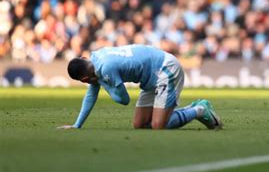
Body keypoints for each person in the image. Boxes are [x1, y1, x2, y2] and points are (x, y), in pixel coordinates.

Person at [57, 44, 223, 130]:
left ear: (85, 79)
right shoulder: (96, 57)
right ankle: (183, 111)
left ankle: (199, 109)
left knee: (158, 125)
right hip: (150, 76)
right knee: (139, 124)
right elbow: (91, 95)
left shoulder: (105, 69)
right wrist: (77, 124)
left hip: (165, 69)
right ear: (84, 57)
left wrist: (100, 82)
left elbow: (123, 99)